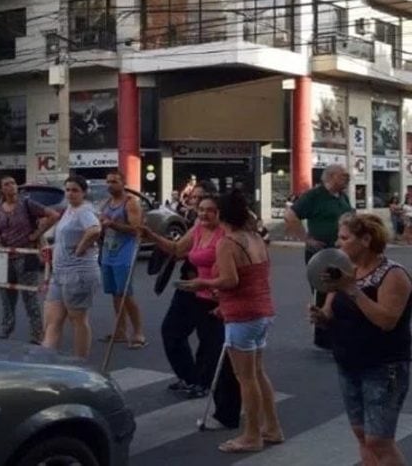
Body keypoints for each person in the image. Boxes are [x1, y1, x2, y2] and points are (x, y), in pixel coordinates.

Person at [180, 189, 283, 453]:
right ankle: (271, 427)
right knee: (257, 373)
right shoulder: (255, 238)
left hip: (243, 314)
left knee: (245, 378)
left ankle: (251, 435)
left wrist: (202, 282)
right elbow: (252, 278)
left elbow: (229, 281)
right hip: (262, 311)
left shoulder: (228, 242)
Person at [310, 214, 412, 465]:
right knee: (362, 435)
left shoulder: (392, 274)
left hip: (383, 367)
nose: (338, 243)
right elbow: (330, 313)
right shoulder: (346, 271)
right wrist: (320, 316)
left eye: (344, 238)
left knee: (379, 440)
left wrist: (352, 289)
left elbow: (387, 320)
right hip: (348, 363)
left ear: (366, 240)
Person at [141, 184, 241, 428]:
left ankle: (217, 400)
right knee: (171, 332)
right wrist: (151, 236)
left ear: (221, 213)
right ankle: (191, 378)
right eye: (201, 208)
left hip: (214, 296)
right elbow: (176, 249)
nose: (203, 213)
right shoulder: (197, 229)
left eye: (210, 210)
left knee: (214, 349)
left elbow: (236, 271)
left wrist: (218, 288)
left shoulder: (227, 236)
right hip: (190, 288)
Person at [285, 164, 353, 349]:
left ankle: (336, 333)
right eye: (343, 175)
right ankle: (324, 337)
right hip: (321, 254)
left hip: (341, 253)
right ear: (330, 177)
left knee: (341, 292)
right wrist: (306, 239)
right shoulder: (315, 196)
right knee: (323, 292)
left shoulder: (342, 196)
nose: (348, 178)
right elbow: (291, 215)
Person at [0, 175, 59, 344]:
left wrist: (36, 234)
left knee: (30, 297)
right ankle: (6, 329)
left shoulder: (26, 203)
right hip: (5, 256)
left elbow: (53, 215)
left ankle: (36, 334)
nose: (11, 186)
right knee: (6, 296)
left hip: (26, 255)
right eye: (6, 184)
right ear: (1, 189)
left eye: (13, 183)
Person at [43, 175, 101, 359]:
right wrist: (53, 248)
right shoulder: (69, 210)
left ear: (84, 193)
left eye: (75, 190)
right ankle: (47, 360)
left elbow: (95, 229)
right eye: (67, 190)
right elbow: (66, 239)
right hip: (59, 273)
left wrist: (81, 247)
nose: (70, 194)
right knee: (53, 320)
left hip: (78, 274)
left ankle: (80, 362)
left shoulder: (84, 211)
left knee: (78, 319)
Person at [99, 170, 147, 349]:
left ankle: (138, 332)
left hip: (124, 253)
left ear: (123, 183)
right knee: (115, 293)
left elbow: (136, 229)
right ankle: (120, 330)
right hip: (108, 252)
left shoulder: (130, 203)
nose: (110, 185)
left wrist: (112, 224)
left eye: (114, 181)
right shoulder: (107, 203)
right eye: (108, 181)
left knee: (126, 293)